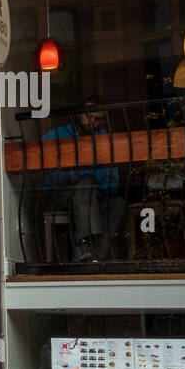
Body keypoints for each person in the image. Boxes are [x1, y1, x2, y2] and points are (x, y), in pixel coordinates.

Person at [41, 100, 126, 263]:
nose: (92, 122)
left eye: (97, 119)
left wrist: (93, 191)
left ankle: (93, 259)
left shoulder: (104, 140)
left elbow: (112, 181)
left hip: (93, 195)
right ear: (80, 116)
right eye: (89, 117)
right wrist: (78, 180)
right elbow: (49, 170)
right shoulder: (59, 134)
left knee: (119, 203)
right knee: (86, 182)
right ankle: (82, 245)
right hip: (59, 195)